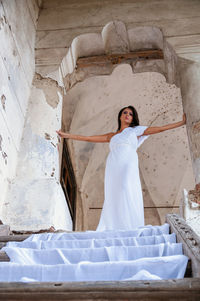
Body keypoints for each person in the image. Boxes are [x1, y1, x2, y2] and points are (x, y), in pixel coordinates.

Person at [57, 106, 186, 231]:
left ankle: (131, 224)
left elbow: (160, 129)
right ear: (120, 116)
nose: (127, 115)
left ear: (133, 118)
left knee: (126, 186)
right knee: (114, 192)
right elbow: (89, 138)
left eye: (130, 114)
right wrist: (68, 136)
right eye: (125, 112)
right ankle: (115, 225)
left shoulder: (135, 130)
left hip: (128, 160)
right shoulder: (112, 135)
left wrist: (181, 123)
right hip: (113, 164)